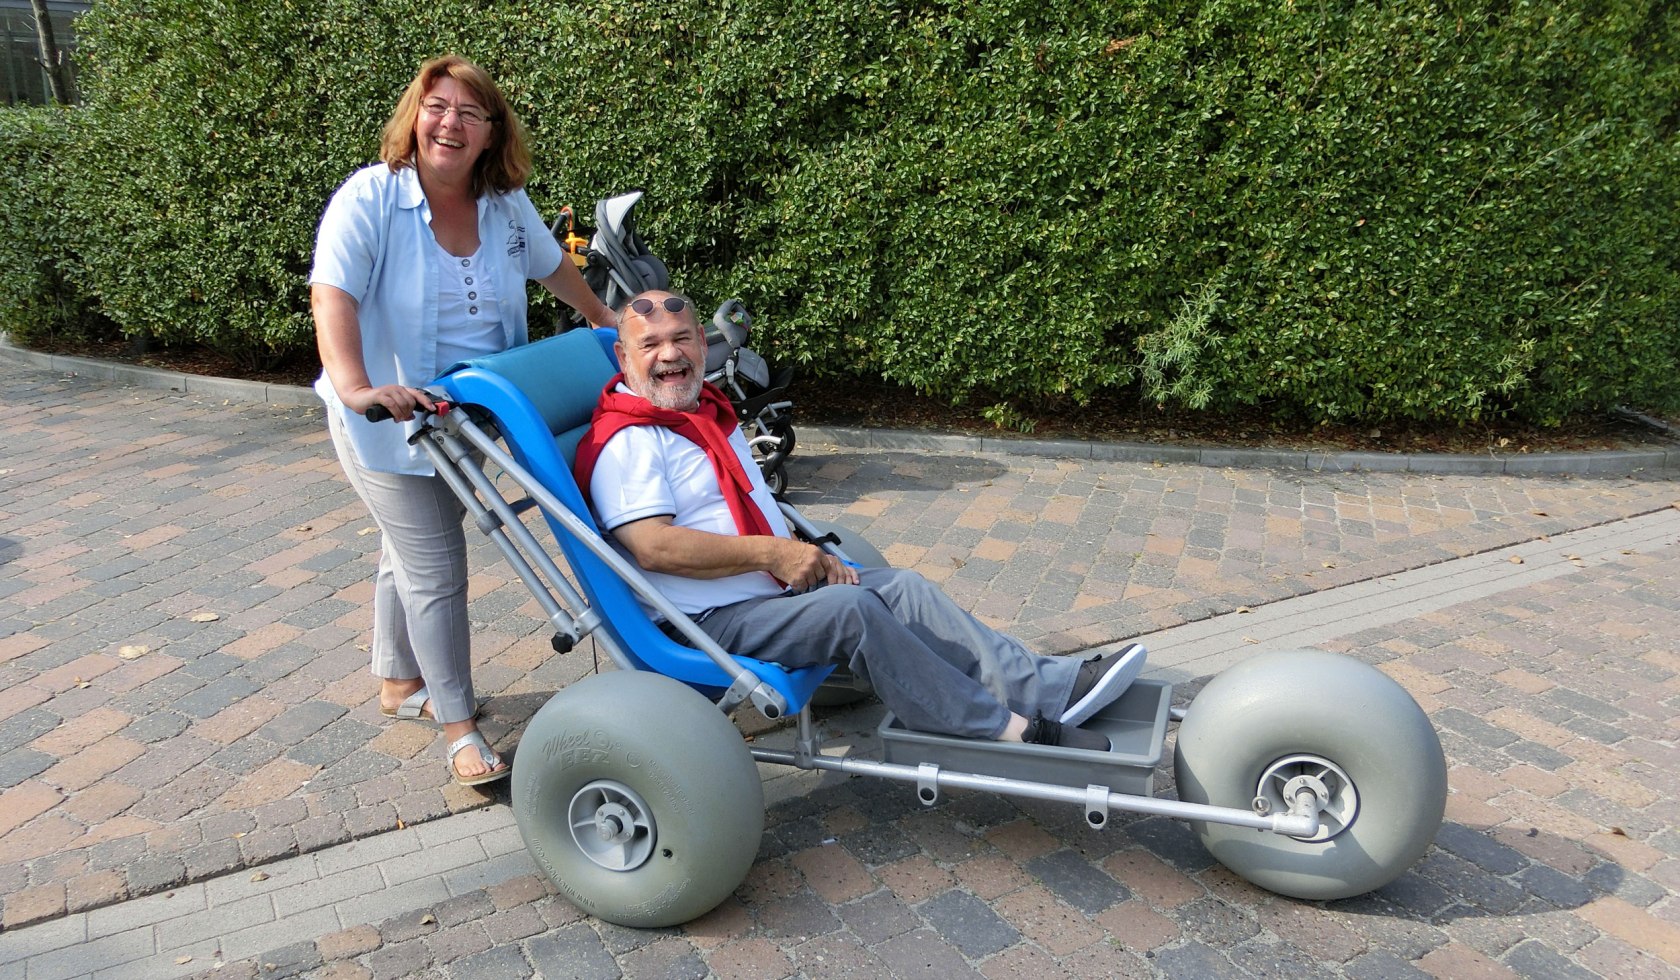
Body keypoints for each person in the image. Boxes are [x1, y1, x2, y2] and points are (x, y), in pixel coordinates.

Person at [574, 290, 1147, 750]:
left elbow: (746, 506)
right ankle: (1003, 730)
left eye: (680, 339)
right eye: (649, 346)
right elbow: (653, 548)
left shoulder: (704, 413)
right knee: (854, 611)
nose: (669, 356)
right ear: (624, 359)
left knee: (904, 587)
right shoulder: (632, 441)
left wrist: (804, 549)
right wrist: (777, 555)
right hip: (708, 617)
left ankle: (1050, 689)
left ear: (703, 343)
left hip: (765, 592)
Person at [309, 55, 618, 787]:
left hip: (474, 415)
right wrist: (357, 386)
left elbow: (552, 267)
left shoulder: (504, 203)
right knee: (438, 569)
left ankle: (397, 685)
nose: (450, 122)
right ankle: (457, 727)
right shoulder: (372, 199)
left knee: (409, 553)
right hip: (390, 421)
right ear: (415, 116)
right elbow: (333, 295)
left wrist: (607, 320)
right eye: (437, 106)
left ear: (490, 132)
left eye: (469, 113)